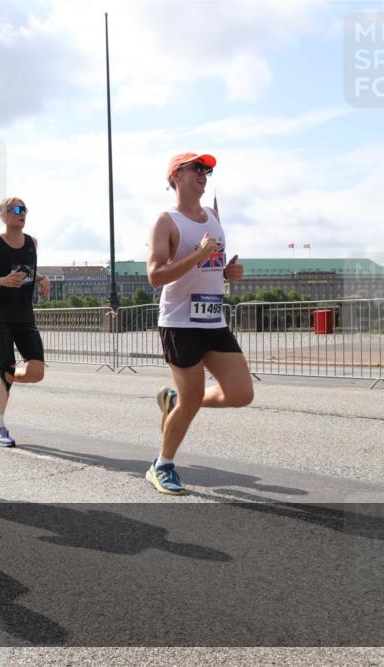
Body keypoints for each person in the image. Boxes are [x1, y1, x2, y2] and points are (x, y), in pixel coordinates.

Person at [145, 152, 251, 495]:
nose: (204, 174)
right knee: (191, 403)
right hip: (179, 323)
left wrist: (226, 271)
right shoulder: (166, 221)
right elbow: (155, 276)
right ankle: (162, 465)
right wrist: (198, 256)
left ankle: (177, 402)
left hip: (213, 319)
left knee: (240, 393)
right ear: (176, 176)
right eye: (197, 168)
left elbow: (211, 266)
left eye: (207, 170)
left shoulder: (213, 217)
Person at [0, 197, 50, 447]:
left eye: (24, 209)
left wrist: (41, 280)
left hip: (25, 315)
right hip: (1, 316)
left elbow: (28, 271)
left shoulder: (32, 243)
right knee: (9, 372)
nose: (22, 213)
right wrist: (2, 281)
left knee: (37, 372)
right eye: (16, 209)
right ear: (3, 215)